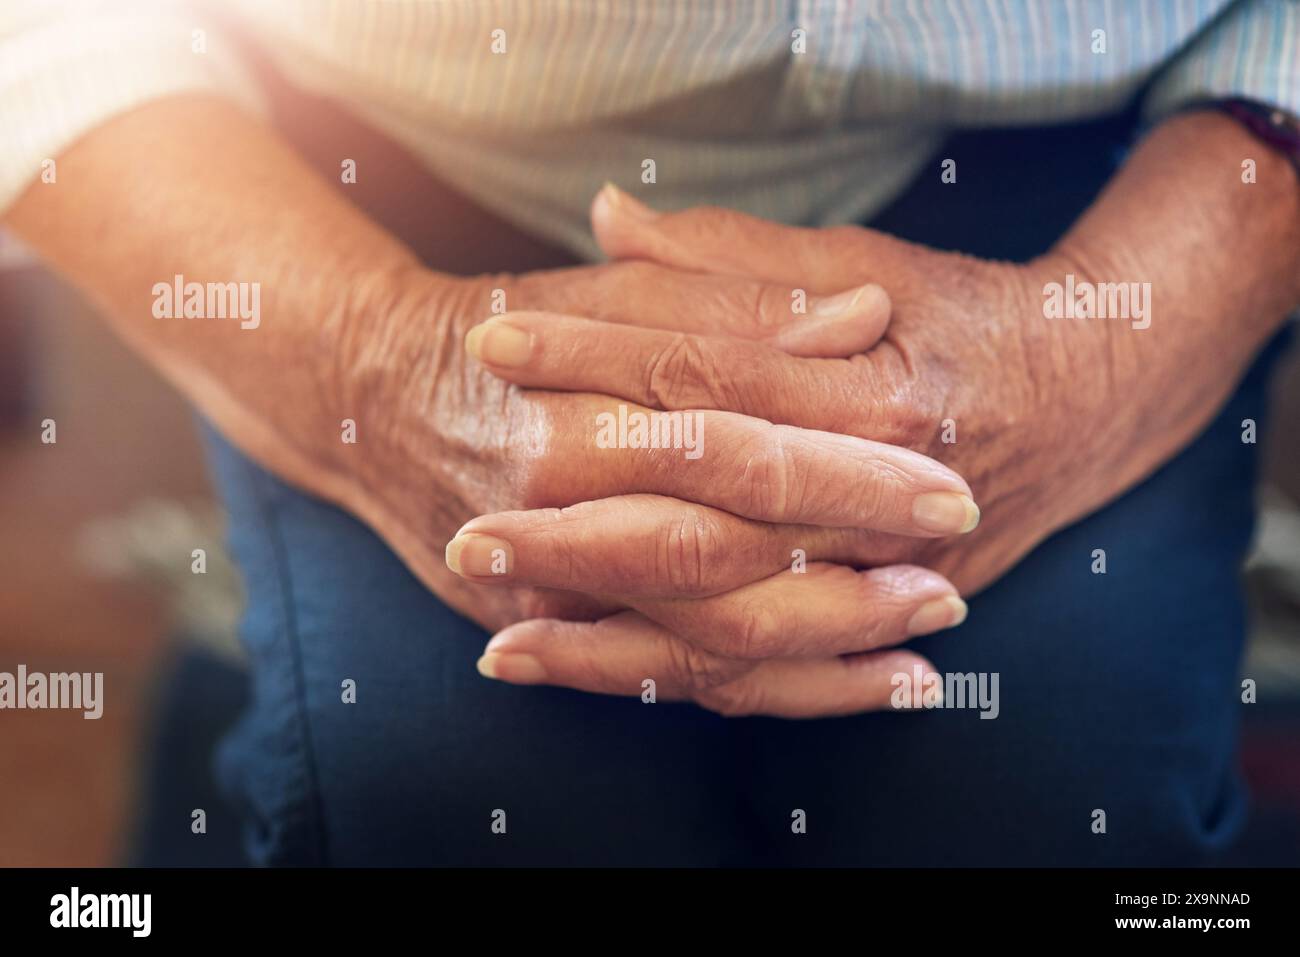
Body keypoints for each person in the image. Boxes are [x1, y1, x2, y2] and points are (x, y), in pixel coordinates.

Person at [3, 0, 1298, 865]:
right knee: (435, 797)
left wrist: (1101, 337)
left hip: (1111, 161)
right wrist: (360, 348)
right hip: (382, 167)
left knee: (1041, 803)